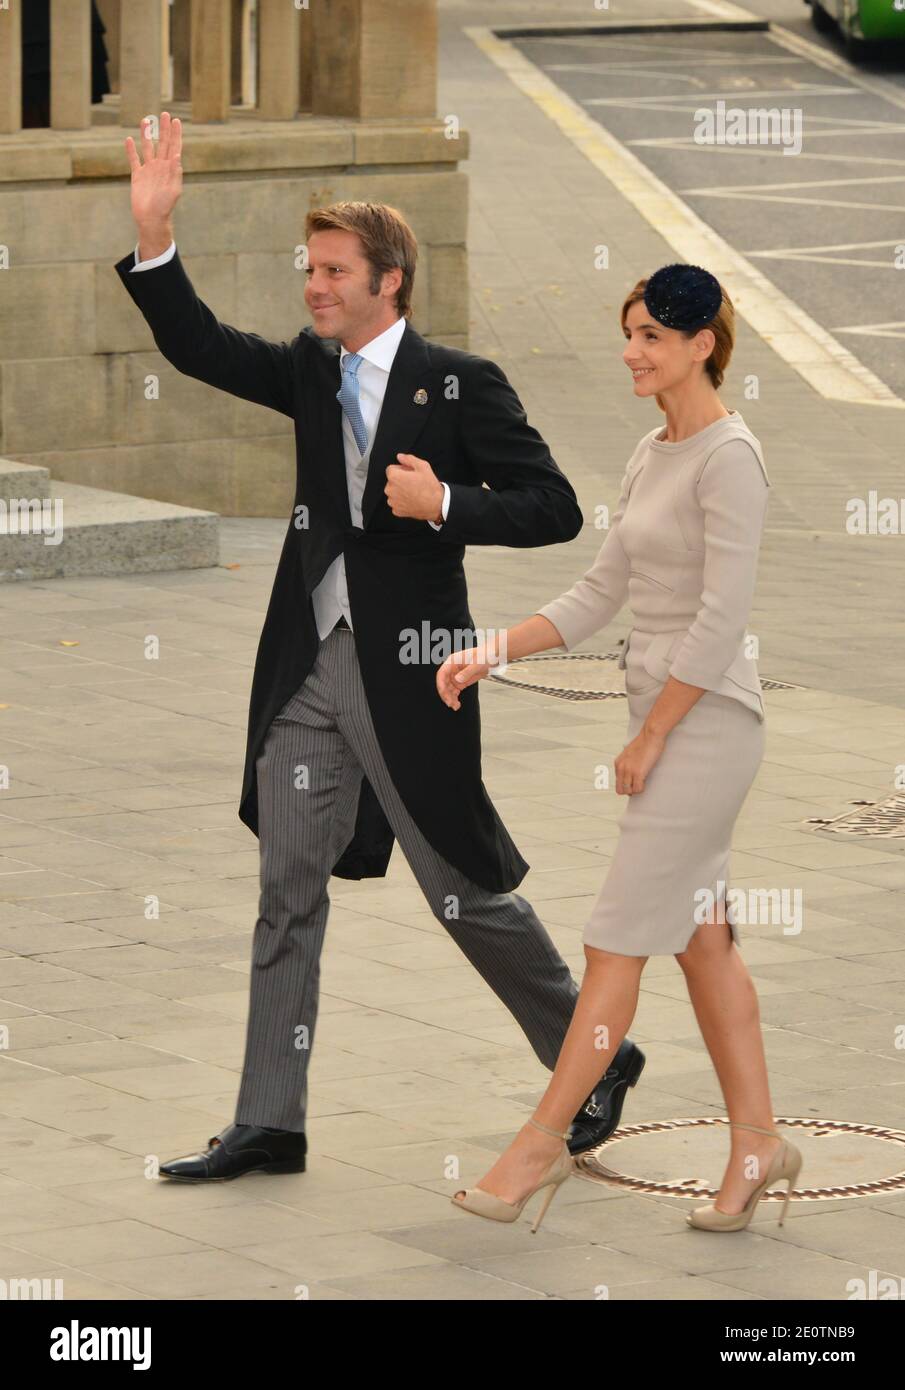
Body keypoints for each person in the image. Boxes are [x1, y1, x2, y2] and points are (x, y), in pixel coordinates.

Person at [115, 112, 647, 1182]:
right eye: (308, 270)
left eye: (331, 271)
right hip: (305, 670)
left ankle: (594, 1056)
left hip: (413, 674)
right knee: (285, 891)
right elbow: (200, 345)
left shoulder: (462, 382)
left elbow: (553, 506)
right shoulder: (311, 374)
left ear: (387, 280)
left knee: (462, 889)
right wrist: (156, 232)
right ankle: (270, 1117)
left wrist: (443, 499)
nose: (312, 287)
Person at [438, 264, 803, 1234]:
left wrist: (648, 735)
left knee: (611, 942)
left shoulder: (732, 458)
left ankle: (540, 1145)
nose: (631, 351)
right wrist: (491, 649)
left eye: (649, 336)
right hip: (667, 726)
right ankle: (757, 1143)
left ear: (700, 345)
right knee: (702, 946)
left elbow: (719, 622)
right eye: (629, 331)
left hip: (705, 731)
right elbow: (598, 592)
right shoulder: (651, 452)